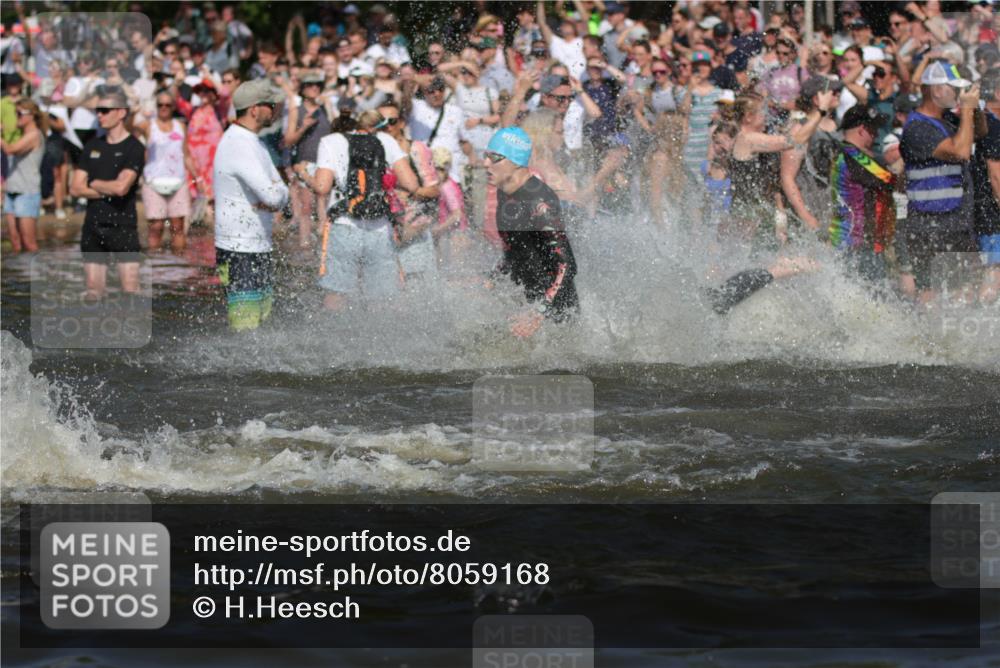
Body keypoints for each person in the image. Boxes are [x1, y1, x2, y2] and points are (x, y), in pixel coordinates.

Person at [296, 109, 419, 310]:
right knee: (383, 297)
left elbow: (322, 187)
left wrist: (303, 173)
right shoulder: (386, 140)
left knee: (337, 293)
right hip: (380, 227)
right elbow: (411, 184)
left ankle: (336, 336)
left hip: (344, 225)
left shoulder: (331, 141)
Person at [899, 62, 985, 302]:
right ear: (935, 90)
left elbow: (978, 133)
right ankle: (924, 336)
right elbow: (960, 152)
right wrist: (966, 110)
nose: (958, 94)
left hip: (955, 220)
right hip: (930, 224)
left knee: (966, 286)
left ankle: (956, 337)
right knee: (930, 291)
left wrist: (974, 109)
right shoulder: (917, 127)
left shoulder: (947, 119)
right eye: (953, 88)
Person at [483, 126, 579, 338]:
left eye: (494, 158)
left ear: (516, 161)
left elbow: (567, 265)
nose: (485, 164)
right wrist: (490, 279)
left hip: (554, 313)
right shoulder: (504, 192)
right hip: (525, 303)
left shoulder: (538, 201)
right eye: (485, 156)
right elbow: (515, 249)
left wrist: (540, 311)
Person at [212, 79, 290, 331]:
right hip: (239, 248)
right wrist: (275, 194)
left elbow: (280, 192)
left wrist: (276, 194)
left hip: (258, 245)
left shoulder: (255, 141)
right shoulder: (238, 143)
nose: (275, 109)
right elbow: (273, 196)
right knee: (245, 326)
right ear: (255, 109)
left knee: (262, 322)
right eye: (270, 105)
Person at [69, 88, 145, 299]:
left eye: (104, 110)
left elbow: (122, 188)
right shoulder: (92, 145)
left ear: (121, 112)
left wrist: (92, 183)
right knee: (94, 292)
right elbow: (75, 188)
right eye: (97, 111)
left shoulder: (134, 147)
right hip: (93, 225)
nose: (99, 115)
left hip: (123, 225)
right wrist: (106, 189)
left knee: (130, 290)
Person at [829, 104, 898, 282]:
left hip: (848, 240)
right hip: (856, 245)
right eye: (873, 129)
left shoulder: (841, 152)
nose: (876, 134)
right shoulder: (854, 155)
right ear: (862, 130)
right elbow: (891, 180)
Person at [141, 92, 198, 253]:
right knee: (156, 226)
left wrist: (197, 177)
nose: (164, 108)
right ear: (156, 107)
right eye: (160, 105)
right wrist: (136, 112)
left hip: (178, 180)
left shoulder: (181, 126)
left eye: (167, 105)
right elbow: (132, 128)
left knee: (177, 225)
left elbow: (185, 154)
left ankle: (177, 266)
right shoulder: (148, 125)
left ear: (173, 107)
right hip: (153, 180)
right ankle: (156, 263)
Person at [285, 73, 332, 250]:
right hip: (304, 162)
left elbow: (336, 130)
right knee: (306, 206)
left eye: (318, 85)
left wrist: (329, 106)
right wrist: (303, 126)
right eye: (310, 85)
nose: (315, 88)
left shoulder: (325, 108)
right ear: (303, 89)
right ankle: (304, 245)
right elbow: (288, 141)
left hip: (325, 163)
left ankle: (323, 247)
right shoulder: (296, 111)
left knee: (325, 203)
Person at [1, 98, 46, 253]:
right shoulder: (21, 135)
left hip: (27, 192)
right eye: (16, 113)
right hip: (12, 190)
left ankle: (37, 274)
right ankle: (20, 276)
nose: (16, 116)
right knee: (15, 240)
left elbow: (10, 150)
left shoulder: (34, 135)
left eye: (20, 113)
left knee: (29, 243)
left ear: (31, 115)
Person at [972, 69, 1000, 303]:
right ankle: (980, 320)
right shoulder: (993, 126)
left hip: (982, 210)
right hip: (991, 213)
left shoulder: (985, 122)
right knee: (994, 270)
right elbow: (996, 175)